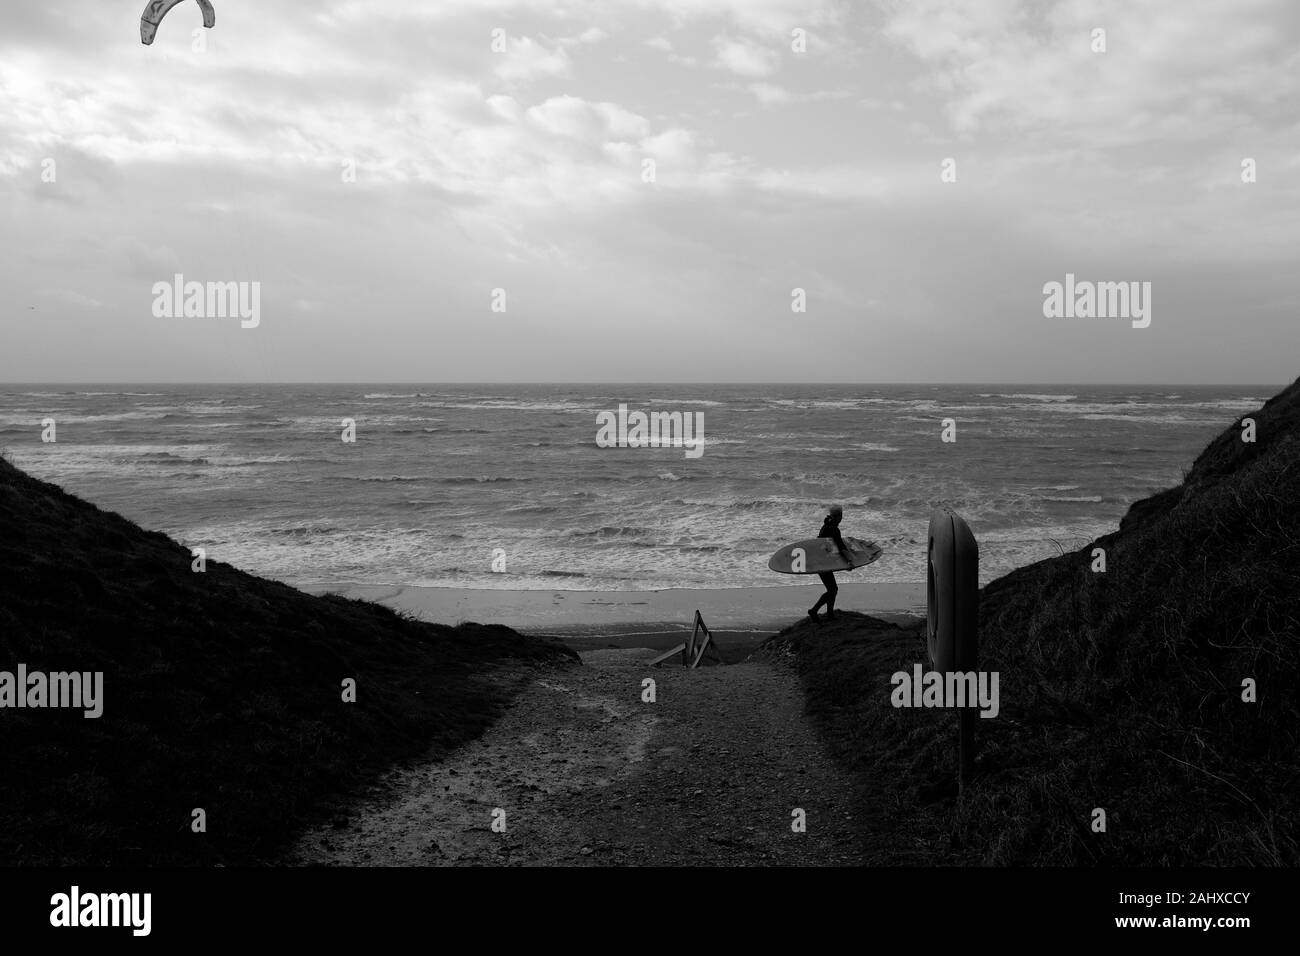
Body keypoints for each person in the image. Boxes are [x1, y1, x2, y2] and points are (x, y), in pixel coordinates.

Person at [809, 505, 851, 622]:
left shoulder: (826, 525)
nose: (841, 518)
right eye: (841, 515)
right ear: (839, 516)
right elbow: (840, 547)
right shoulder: (833, 528)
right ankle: (814, 611)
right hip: (824, 563)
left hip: (821, 560)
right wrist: (849, 562)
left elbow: (829, 544)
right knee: (833, 589)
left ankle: (830, 614)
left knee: (832, 589)